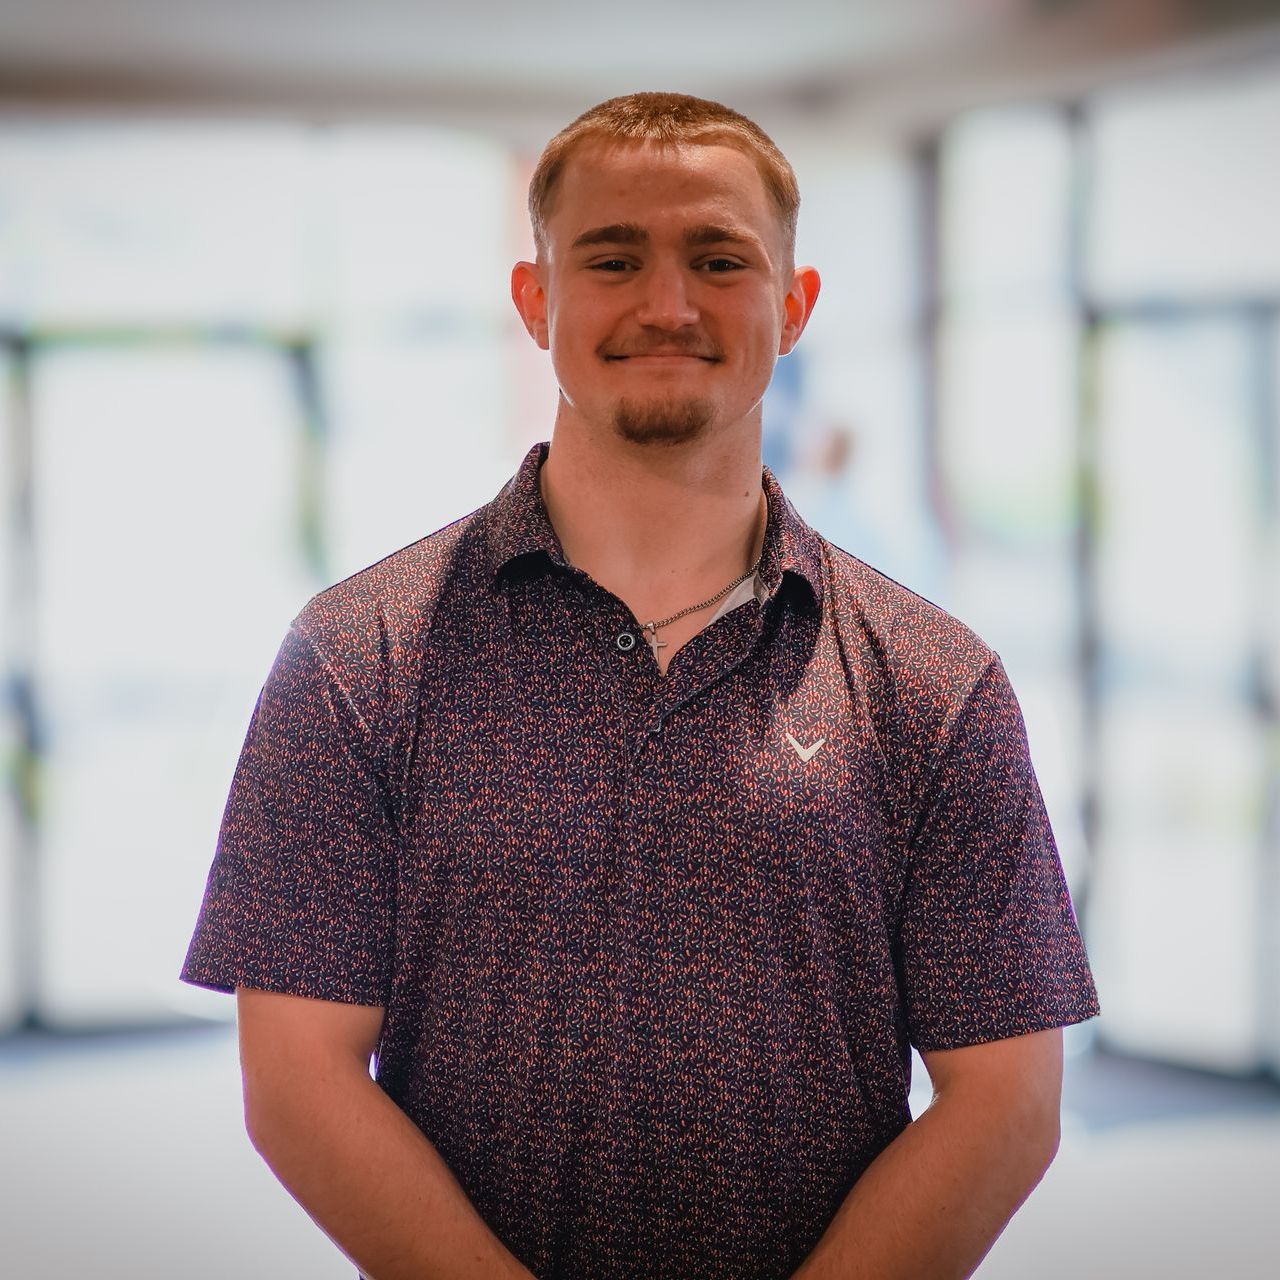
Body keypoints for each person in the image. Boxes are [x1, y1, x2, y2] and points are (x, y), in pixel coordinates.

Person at [181, 91, 1100, 1280]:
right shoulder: (358, 657)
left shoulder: (933, 681)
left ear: (794, 304)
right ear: (535, 300)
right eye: (612, 260)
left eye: (718, 260)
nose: (667, 305)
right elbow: (296, 1074)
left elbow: (1007, 1098)